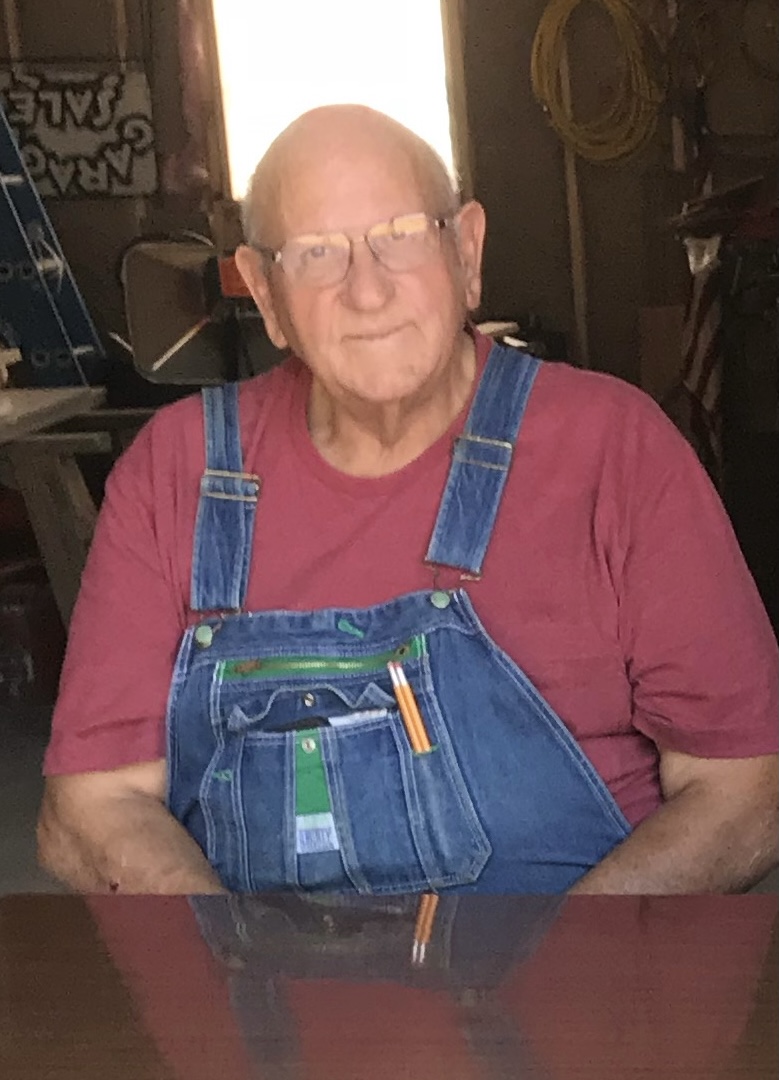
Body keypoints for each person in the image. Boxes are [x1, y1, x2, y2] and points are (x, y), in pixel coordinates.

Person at [37, 105, 778, 895]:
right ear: (264, 293)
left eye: (401, 235)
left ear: (467, 252)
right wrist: (223, 970)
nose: (367, 291)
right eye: (316, 253)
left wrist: (573, 964)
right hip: (254, 968)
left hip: (583, 959)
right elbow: (92, 808)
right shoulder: (175, 470)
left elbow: (745, 791)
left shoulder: (614, 449)